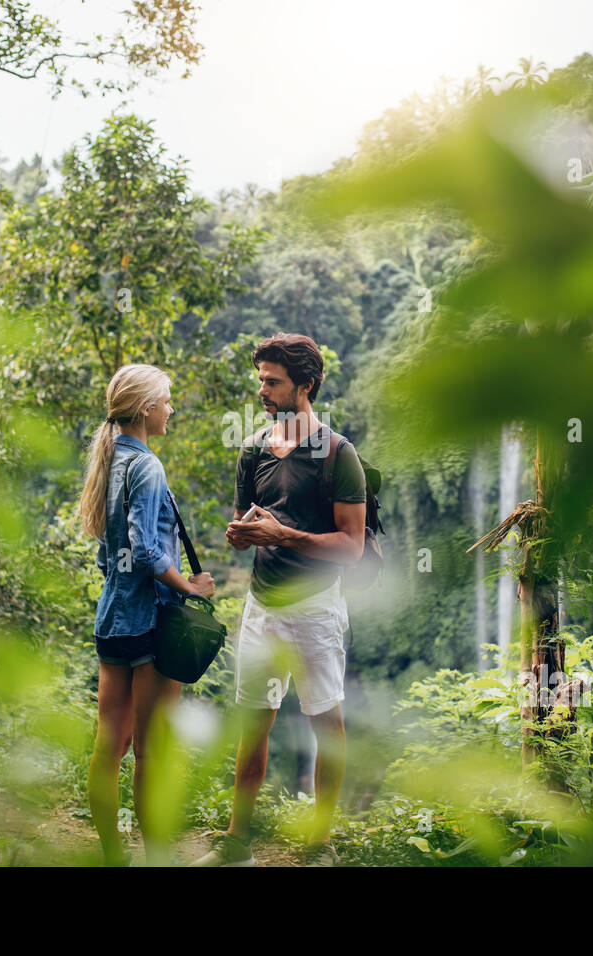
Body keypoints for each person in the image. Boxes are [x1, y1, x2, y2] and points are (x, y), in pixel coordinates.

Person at [191, 333, 366, 867]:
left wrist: (286, 536)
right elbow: (248, 523)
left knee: (325, 724)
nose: (263, 391)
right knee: (254, 719)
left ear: (306, 385)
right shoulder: (252, 449)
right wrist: (242, 535)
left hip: (315, 609)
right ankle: (237, 842)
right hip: (263, 607)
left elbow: (352, 547)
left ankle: (319, 844)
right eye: (260, 380)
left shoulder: (338, 455)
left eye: (273, 381)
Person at [78, 363, 215, 866]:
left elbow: (106, 554)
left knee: (108, 747)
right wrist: (192, 588)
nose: (171, 409)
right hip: (154, 623)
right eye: (166, 401)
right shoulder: (147, 466)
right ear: (144, 409)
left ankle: (114, 857)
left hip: (112, 621)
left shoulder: (108, 461)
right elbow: (148, 551)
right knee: (151, 753)